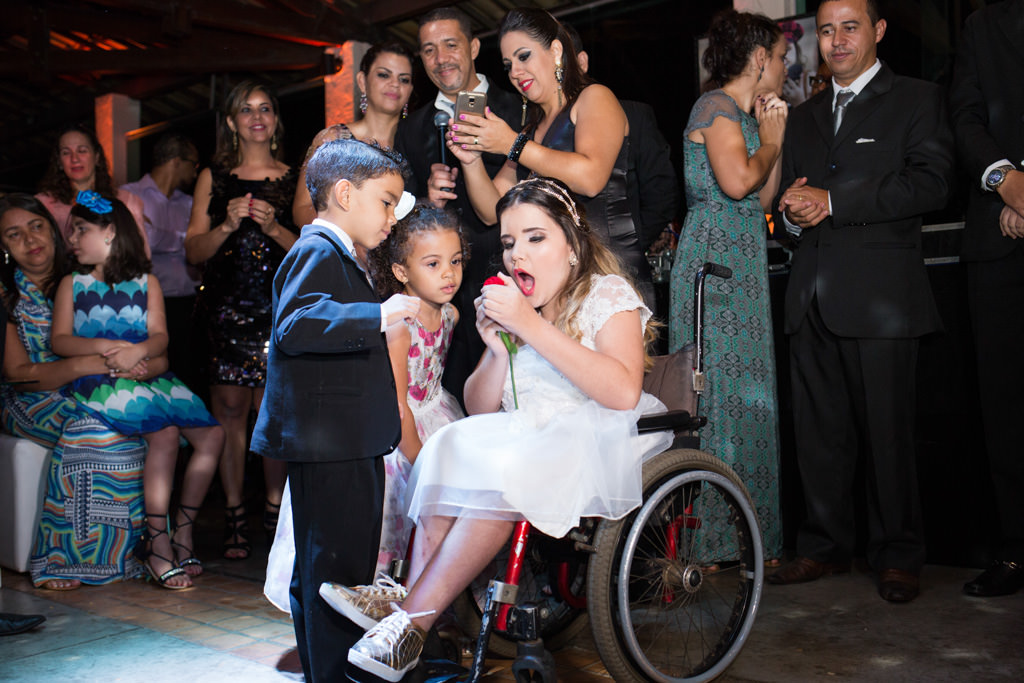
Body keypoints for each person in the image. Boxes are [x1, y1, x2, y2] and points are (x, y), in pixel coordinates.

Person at [335, 177, 672, 682]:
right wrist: (497, 349)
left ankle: (410, 623)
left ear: (572, 244)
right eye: (510, 243)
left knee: (501, 475)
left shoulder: (607, 293)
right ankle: (411, 601)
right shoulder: (521, 309)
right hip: (526, 435)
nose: (518, 255)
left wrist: (531, 328)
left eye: (536, 238)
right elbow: (479, 406)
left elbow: (622, 392)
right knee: (451, 442)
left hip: (593, 438)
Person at [769, 0, 954, 603]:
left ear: (876, 31)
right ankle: (823, 547)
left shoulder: (918, 99)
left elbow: (931, 183)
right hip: (810, 296)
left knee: (888, 435)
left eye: (850, 27)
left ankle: (898, 555)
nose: (837, 40)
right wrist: (792, 217)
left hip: (882, 298)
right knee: (819, 436)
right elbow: (793, 204)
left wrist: (835, 201)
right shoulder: (804, 116)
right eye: (826, 30)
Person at [249, 138, 419, 683]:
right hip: (330, 443)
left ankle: (334, 670)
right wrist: (378, 314)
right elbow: (295, 325)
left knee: (338, 571)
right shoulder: (316, 251)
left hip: (347, 440)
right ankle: (333, 674)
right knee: (333, 574)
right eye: (386, 202)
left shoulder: (343, 254)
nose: (393, 216)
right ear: (345, 194)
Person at [268, 203, 468, 613]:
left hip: (437, 415)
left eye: (456, 261)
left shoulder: (451, 313)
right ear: (400, 271)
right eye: (433, 264)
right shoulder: (398, 322)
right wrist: (421, 459)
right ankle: (377, 609)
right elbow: (398, 402)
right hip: (397, 433)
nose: (448, 273)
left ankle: (426, 606)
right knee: (386, 533)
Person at [51, 191, 223, 590]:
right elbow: (60, 341)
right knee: (163, 434)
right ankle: (157, 541)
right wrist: (111, 352)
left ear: (110, 233)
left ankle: (183, 529)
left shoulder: (147, 282)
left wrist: (141, 353)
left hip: (148, 377)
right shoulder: (72, 284)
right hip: (102, 382)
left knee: (213, 434)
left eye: (81, 230)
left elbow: (160, 337)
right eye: (71, 231)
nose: (72, 239)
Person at [668, 9, 788, 564]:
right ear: (760, 57)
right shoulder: (712, 107)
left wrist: (774, 142)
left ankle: (746, 539)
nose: (785, 67)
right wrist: (768, 140)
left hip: (744, 260)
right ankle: (709, 539)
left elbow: (760, 200)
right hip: (714, 264)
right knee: (715, 396)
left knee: (748, 401)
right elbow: (738, 179)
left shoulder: (743, 116)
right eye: (781, 57)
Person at [447, 8, 654, 304]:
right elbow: (492, 210)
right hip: (555, 285)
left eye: (524, 56)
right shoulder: (530, 130)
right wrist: (471, 161)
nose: (514, 73)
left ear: (555, 51)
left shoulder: (594, 98)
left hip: (608, 276)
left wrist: (512, 145)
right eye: (508, 64)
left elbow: (590, 177)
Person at [0, 193, 151, 591]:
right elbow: (19, 375)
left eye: (36, 226)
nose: (30, 239)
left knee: (133, 421)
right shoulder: (7, 296)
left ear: (53, 229)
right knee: (93, 428)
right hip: (29, 401)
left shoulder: (87, 278)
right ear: (3, 247)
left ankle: (129, 552)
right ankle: (65, 556)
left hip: (91, 389)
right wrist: (90, 363)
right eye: (14, 235)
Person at [186, 81, 298, 560]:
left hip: (278, 312)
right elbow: (193, 251)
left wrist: (273, 226)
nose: (257, 116)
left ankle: (274, 511)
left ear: (275, 120)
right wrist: (227, 226)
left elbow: (311, 252)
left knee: (270, 416)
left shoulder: (295, 177)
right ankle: (234, 514)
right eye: (246, 110)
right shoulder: (215, 177)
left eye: (266, 108)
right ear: (232, 122)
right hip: (227, 311)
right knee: (230, 415)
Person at [395, 6, 523, 407]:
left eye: (450, 45)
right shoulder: (411, 128)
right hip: (442, 297)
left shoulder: (517, 107)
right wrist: (423, 201)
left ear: (474, 47)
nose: (440, 59)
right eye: (429, 50)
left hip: (508, 276)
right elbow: (399, 215)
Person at [949, 0, 1024, 597]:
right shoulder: (983, 24)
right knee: (1004, 408)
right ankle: (1016, 550)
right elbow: (965, 117)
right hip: (997, 242)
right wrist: (1007, 182)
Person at [564, 23, 679, 258]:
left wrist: (627, 249)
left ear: (582, 62)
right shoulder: (536, 128)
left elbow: (662, 195)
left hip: (619, 265)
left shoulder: (634, 116)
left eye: (558, 55)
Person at [293, 41, 415, 229]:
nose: (395, 84)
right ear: (362, 81)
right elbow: (302, 210)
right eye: (384, 75)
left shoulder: (419, 141)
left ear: (410, 90)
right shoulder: (334, 140)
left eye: (404, 79)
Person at [121, 133, 203, 392]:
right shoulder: (129, 195)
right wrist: (184, 239)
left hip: (188, 302)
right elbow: (139, 241)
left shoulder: (190, 203)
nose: (195, 172)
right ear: (177, 161)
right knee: (152, 376)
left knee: (189, 373)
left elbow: (194, 247)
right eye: (194, 164)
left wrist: (158, 234)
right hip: (145, 303)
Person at [35, 124, 149, 256]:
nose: (74, 159)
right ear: (59, 162)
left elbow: (141, 253)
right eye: (66, 153)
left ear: (97, 157)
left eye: (82, 151)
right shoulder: (44, 205)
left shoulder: (126, 201)